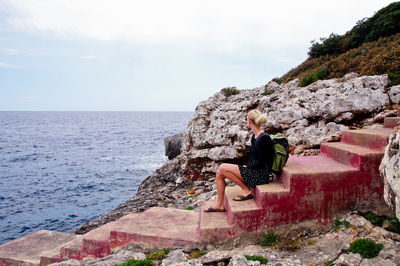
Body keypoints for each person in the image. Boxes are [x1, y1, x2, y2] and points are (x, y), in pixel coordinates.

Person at [205, 109, 275, 212]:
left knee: (222, 167)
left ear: (249, 121)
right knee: (220, 173)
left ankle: (246, 190)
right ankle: (219, 204)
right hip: (254, 171)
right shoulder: (254, 137)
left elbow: (261, 162)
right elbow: (254, 158)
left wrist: (247, 168)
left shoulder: (264, 138)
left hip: (261, 175)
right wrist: (247, 166)